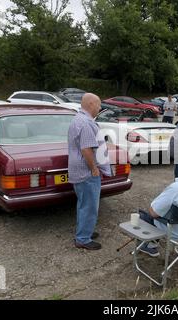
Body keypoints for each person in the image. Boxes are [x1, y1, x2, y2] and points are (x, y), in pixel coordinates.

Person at [68, 93, 112, 250]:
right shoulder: (86, 123)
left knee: (83, 204)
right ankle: (83, 239)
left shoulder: (78, 119)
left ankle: (84, 231)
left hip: (78, 171)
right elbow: (86, 149)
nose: (100, 108)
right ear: (91, 104)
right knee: (89, 205)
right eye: (99, 105)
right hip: (86, 172)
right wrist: (94, 168)